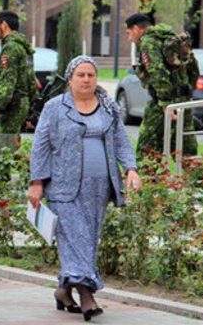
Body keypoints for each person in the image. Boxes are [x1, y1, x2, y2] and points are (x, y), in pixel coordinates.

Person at [28, 56, 141, 322]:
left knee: (86, 244)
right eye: (81, 75)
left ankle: (62, 291)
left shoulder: (108, 106)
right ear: (70, 78)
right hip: (63, 189)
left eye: (91, 75)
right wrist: (36, 183)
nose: (86, 80)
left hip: (99, 188)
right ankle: (88, 298)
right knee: (76, 240)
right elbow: (40, 146)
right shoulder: (55, 108)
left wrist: (131, 169)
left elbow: (121, 141)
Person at [125, 13, 200, 160]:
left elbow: (157, 72)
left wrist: (165, 102)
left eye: (129, 34)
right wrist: (187, 90)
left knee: (147, 149)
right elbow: (193, 67)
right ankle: (198, 180)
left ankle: (149, 181)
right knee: (185, 150)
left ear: (136, 29)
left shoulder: (148, 42)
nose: (129, 39)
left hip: (163, 104)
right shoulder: (172, 38)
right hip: (184, 101)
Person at [0, 10, 39, 134]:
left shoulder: (11, 48)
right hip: (22, 103)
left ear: (4, 25)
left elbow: (7, 80)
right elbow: (31, 79)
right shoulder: (24, 47)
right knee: (13, 144)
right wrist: (31, 108)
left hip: (12, 106)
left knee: (4, 146)